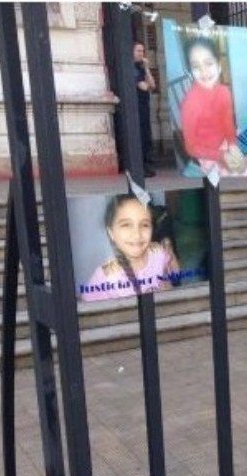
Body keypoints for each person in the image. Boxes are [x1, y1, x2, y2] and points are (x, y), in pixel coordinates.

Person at [81, 193, 180, 302]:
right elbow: (90, 314)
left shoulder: (158, 254)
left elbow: (175, 276)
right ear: (111, 233)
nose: (137, 234)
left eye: (144, 225)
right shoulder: (105, 276)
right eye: (126, 225)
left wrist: (170, 252)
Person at [180, 36, 247, 177]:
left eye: (209, 63)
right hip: (207, 155)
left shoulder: (224, 92)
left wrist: (232, 146)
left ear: (219, 65)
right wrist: (221, 156)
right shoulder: (190, 103)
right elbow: (191, 147)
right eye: (196, 67)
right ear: (190, 72)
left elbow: (227, 123)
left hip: (224, 145)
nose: (204, 72)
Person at [133, 42, 156, 178]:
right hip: (135, 107)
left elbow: (152, 85)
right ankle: (140, 166)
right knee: (140, 136)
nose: (141, 54)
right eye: (138, 51)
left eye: (142, 51)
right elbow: (144, 87)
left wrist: (147, 68)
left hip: (144, 105)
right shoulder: (131, 68)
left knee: (146, 136)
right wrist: (146, 83)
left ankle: (148, 166)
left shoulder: (141, 68)